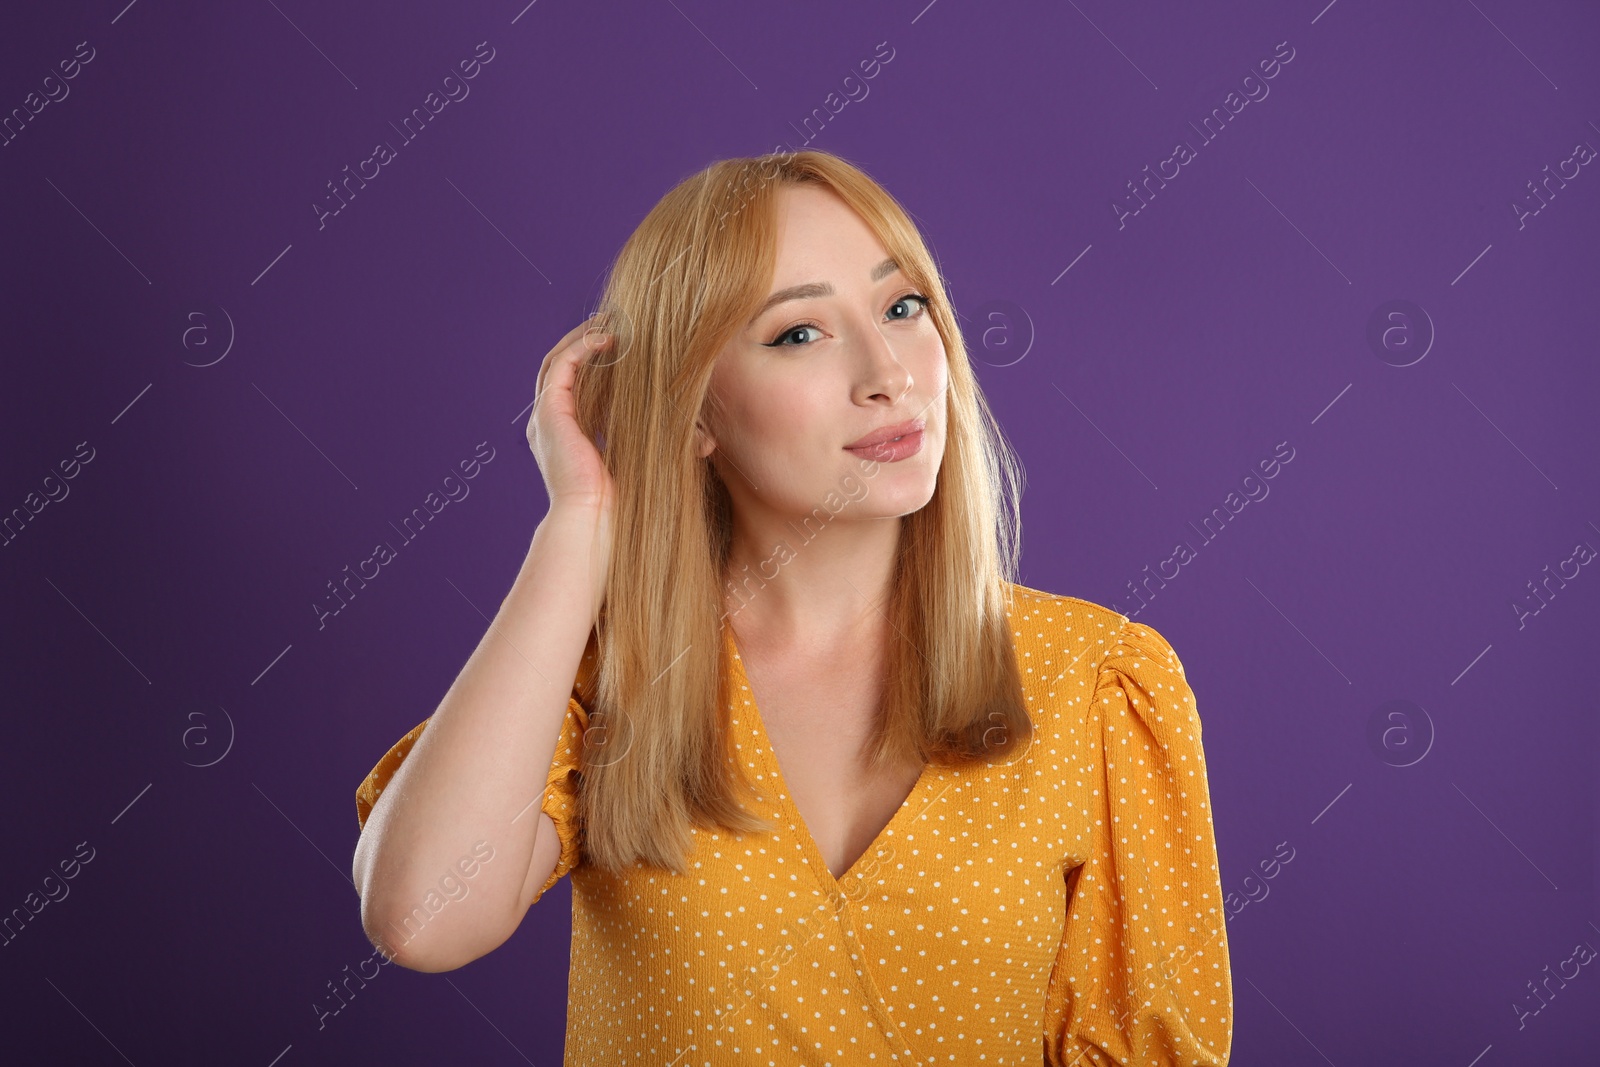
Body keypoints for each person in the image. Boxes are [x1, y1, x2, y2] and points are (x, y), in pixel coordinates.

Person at [350, 149, 1233, 1065]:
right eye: (799, 333)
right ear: (694, 413)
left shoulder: (1094, 681)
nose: (888, 371)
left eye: (903, 307)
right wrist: (579, 525)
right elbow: (420, 918)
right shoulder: (610, 677)